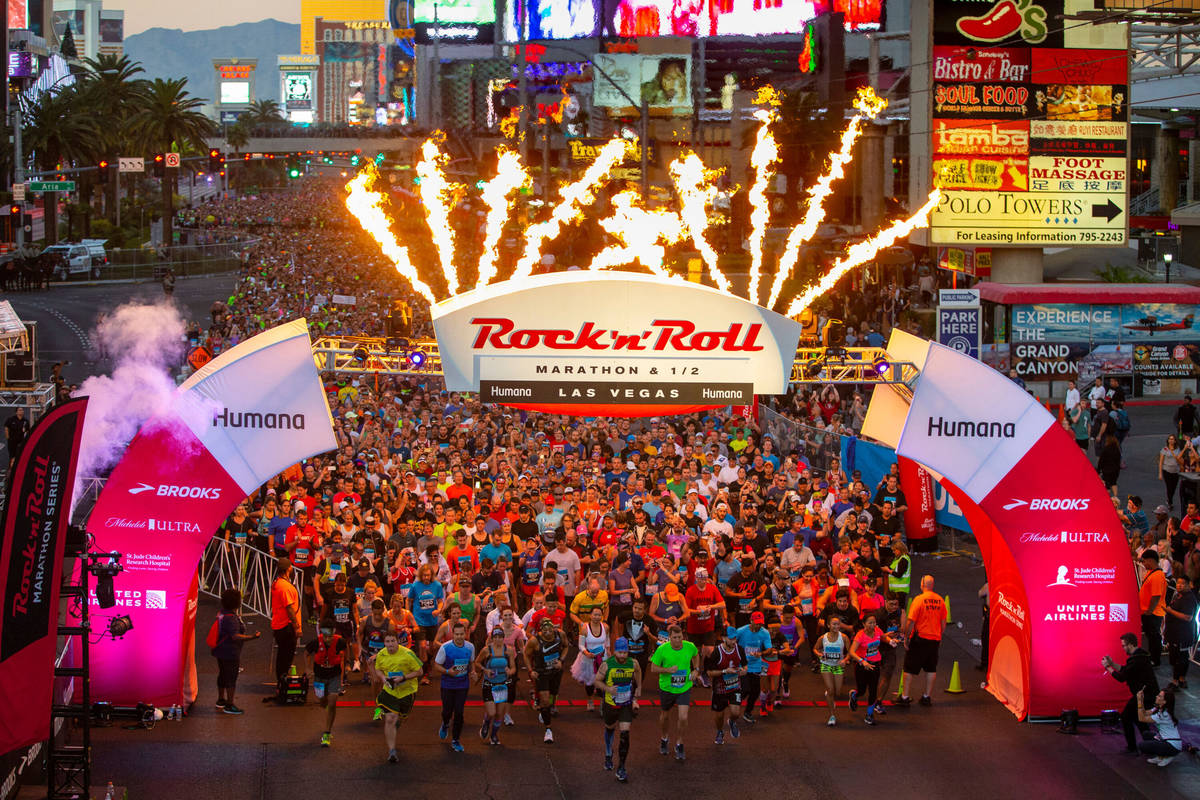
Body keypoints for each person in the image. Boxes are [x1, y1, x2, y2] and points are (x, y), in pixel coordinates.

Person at [593, 636, 642, 782]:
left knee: (625, 734)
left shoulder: (633, 663)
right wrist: (608, 689)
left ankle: (621, 767)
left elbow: (638, 672)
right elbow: (596, 681)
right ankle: (608, 753)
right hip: (610, 704)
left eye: (625, 653)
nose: (622, 655)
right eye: (620, 653)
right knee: (609, 728)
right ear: (615, 652)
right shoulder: (607, 665)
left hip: (625, 704)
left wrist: (639, 687)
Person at [649, 624, 700, 762]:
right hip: (667, 688)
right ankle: (664, 738)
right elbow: (653, 668)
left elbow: (696, 655)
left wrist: (696, 669)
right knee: (665, 715)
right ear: (669, 637)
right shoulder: (662, 649)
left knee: (683, 717)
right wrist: (667, 670)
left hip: (684, 687)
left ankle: (679, 743)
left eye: (680, 637)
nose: (678, 640)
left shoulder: (689, 646)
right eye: (675, 637)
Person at [1103, 632, 1159, 754]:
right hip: (1147, 695)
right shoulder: (1140, 657)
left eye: (1124, 646)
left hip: (1145, 696)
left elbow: (1122, 677)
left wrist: (1108, 667)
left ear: (1131, 645)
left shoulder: (1136, 660)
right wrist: (1112, 664)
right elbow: (1126, 670)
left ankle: (1133, 747)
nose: (1123, 648)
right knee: (1139, 719)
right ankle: (1149, 746)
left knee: (1126, 716)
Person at [372, 630, 423, 763]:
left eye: (392, 641)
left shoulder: (408, 654)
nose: (390, 645)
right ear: (384, 643)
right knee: (390, 718)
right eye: (387, 642)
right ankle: (392, 751)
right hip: (390, 691)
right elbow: (378, 669)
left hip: (407, 692)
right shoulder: (381, 654)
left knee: (401, 718)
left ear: (397, 641)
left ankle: (395, 725)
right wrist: (383, 678)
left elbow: (420, 671)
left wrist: (403, 677)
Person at [896, 575, 947, 707]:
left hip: (920, 639)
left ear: (922, 584)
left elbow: (911, 621)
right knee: (931, 668)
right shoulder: (940, 600)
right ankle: (926, 696)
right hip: (934, 639)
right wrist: (939, 636)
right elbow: (943, 623)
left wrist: (906, 637)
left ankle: (905, 697)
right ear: (932, 585)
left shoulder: (919, 600)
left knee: (909, 668)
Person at [211, 588, 259, 715]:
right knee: (231, 678)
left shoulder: (221, 613)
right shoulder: (231, 618)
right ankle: (229, 704)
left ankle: (221, 700)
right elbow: (235, 636)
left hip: (220, 650)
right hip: (230, 652)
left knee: (222, 674)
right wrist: (252, 637)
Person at [432, 620, 476, 753]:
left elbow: (471, 662)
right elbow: (436, 665)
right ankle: (445, 724)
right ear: (453, 635)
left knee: (459, 713)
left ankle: (456, 739)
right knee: (447, 711)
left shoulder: (470, 647)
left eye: (462, 634)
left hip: (462, 685)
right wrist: (447, 671)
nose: (459, 637)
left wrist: (473, 672)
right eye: (456, 634)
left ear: (465, 634)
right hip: (447, 684)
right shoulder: (445, 647)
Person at [305, 619, 348, 747]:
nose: (328, 639)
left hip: (334, 675)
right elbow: (306, 653)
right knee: (322, 701)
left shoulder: (340, 642)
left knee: (333, 701)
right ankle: (327, 705)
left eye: (330, 636)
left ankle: (327, 733)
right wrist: (307, 668)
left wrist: (347, 665)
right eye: (326, 636)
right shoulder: (315, 642)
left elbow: (346, 650)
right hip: (319, 676)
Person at [525, 618, 569, 743]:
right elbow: (526, 655)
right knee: (545, 700)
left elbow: (566, 646)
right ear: (540, 631)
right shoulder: (534, 641)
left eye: (550, 629)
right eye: (545, 631)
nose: (548, 632)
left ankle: (545, 707)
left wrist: (561, 660)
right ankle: (548, 730)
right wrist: (530, 671)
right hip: (542, 673)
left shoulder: (560, 634)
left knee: (552, 697)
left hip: (556, 672)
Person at [267, 556, 302, 702]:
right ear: (288, 569)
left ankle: (281, 682)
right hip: (286, 626)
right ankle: (282, 684)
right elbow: (289, 609)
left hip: (279, 624)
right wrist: (297, 626)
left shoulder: (277, 583)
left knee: (282, 656)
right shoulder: (285, 587)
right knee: (285, 657)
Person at [474, 626, 516, 746]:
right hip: (489, 684)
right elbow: (476, 662)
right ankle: (486, 722)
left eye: (500, 637)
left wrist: (510, 671)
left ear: (504, 638)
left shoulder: (509, 651)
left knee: (499, 714)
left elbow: (513, 668)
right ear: (492, 638)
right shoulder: (486, 650)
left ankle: (494, 735)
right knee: (492, 712)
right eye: (495, 637)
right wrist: (485, 670)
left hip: (502, 685)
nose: (498, 640)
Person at [705, 626, 747, 744]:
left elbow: (745, 665)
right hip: (720, 689)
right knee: (719, 716)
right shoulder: (717, 652)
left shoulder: (740, 649)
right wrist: (724, 671)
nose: (734, 641)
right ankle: (719, 731)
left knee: (736, 713)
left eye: (735, 638)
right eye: (731, 639)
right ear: (723, 638)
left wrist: (744, 670)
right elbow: (709, 672)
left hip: (735, 686)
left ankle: (732, 721)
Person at [848, 611, 887, 726]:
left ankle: (869, 715)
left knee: (873, 691)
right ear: (864, 624)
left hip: (875, 664)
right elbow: (851, 652)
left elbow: (884, 637)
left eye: (874, 623)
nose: (872, 625)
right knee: (862, 690)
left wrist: (891, 640)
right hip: (862, 666)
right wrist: (862, 661)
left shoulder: (877, 631)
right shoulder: (860, 635)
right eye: (870, 623)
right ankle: (854, 695)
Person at [734, 611, 773, 722]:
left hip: (756, 664)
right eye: (756, 623)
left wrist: (761, 653)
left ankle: (747, 712)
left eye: (760, 624)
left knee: (755, 691)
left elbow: (769, 649)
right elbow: (732, 643)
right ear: (751, 621)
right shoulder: (741, 631)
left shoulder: (764, 633)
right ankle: (735, 705)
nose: (758, 626)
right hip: (743, 665)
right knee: (746, 689)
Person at [572, 606, 611, 711]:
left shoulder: (605, 627)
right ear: (590, 615)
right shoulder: (585, 629)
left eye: (599, 615)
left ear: (602, 616)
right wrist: (586, 653)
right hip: (588, 659)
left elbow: (607, 639)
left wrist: (608, 649)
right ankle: (590, 700)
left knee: (602, 682)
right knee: (589, 683)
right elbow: (580, 645)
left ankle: (603, 703)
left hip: (602, 658)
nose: (597, 617)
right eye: (595, 614)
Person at [814, 615, 851, 726]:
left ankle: (830, 695)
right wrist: (820, 655)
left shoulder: (844, 637)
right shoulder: (823, 638)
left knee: (838, 692)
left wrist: (845, 659)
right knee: (830, 690)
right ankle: (832, 715)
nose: (836, 626)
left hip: (838, 666)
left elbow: (850, 652)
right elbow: (815, 649)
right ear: (828, 625)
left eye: (838, 624)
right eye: (834, 624)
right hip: (826, 665)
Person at [1164, 574, 1198, 689]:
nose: (1179, 586)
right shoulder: (1178, 596)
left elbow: (1187, 617)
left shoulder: (1189, 599)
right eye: (1178, 583)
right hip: (1175, 634)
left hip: (1182, 635)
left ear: (1189, 585)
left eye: (1182, 583)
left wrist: (1169, 611)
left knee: (1180, 658)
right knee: (1178, 657)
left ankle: (1176, 681)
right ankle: (1181, 679)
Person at [1136, 688, 1184, 766]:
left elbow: (1141, 718)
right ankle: (1161, 756)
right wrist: (1141, 699)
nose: (1156, 696)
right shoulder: (1158, 708)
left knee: (1142, 746)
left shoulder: (1164, 715)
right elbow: (1144, 713)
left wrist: (1139, 701)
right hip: (1165, 740)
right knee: (1146, 734)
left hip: (1172, 745)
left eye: (1159, 696)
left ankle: (1168, 755)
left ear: (1164, 701)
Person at [1139, 550, 1167, 668]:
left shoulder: (1157, 576)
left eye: (1144, 561)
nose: (1144, 564)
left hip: (1153, 613)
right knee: (1151, 636)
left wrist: (1149, 611)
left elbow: (1156, 596)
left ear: (1150, 560)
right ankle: (1152, 657)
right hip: (1148, 611)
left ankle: (1155, 660)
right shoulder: (1151, 573)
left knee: (1154, 637)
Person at [1158, 434, 1184, 513]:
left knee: (1174, 487)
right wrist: (1160, 473)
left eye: (1172, 439)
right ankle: (1170, 502)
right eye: (1170, 439)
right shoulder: (1164, 449)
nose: (1171, 440)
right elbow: (1161, 462)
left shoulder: (1177, 449)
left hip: (1176, 471)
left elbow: (1180, 460)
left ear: (1175, 441)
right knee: (1169, 487)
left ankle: (1169, 499)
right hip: (1167, 470)